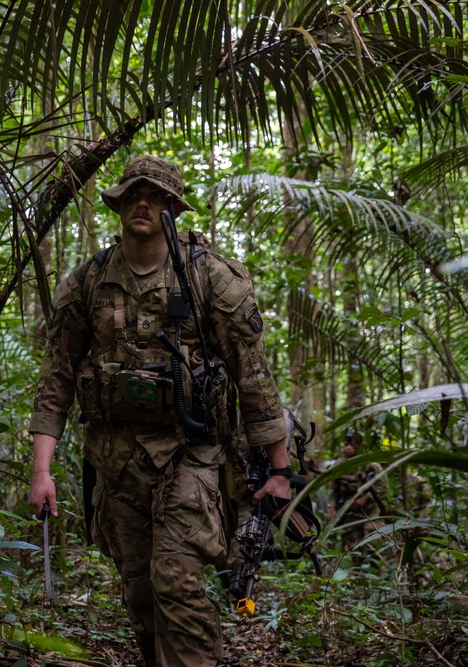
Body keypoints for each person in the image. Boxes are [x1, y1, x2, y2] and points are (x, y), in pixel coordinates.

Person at [27, 155, 291, 667]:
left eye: (154, 197)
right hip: (116, 461)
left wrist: (279, 469)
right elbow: (57, 376)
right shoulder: (89, 280)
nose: (142, 203)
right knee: (140, 593)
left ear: (172, 208)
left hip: (190, 457)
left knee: (177, 581)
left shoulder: (208, 277)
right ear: (120, 204)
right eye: (132, 195)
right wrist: (42, 471)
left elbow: (253, 375)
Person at [330, 430, 387, 554]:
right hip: (349, 510)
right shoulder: (339, 465)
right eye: (347, 444)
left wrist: (366, 498)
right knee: (352, 543)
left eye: (353, 444)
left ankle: (376, 567)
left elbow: (383, 487)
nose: (349, 447)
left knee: (372, 538)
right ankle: (358, 570)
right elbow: (333, 489)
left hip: (371, 510)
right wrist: (332, 507)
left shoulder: (370, 465)